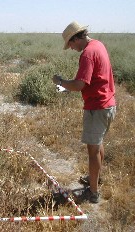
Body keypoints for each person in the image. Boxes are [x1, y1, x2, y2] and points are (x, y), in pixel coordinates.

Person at [52, 21, 116, 203]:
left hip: (97, 108)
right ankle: (95, 178)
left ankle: (93, 193)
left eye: (70, 43)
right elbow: (88, 82)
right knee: (98, 144)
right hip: (108, 104)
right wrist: (67, 85)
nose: (71, 48)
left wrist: (60, 81)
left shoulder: (87, 54)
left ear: (76, 37)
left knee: (93, 150)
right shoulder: (98, 45)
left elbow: (79, 84)